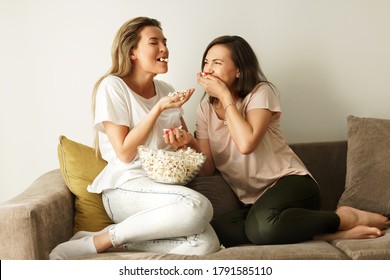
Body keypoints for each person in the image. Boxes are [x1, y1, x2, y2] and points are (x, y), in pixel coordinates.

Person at [164, 35, 390, 247]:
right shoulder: (205, 107)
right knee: (216, 230)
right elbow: (208, 169)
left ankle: (344, 217)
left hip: (291, 185)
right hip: (256, 203)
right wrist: (189, 144)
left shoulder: (259, 93)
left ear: (239, 71)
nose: (208, 69)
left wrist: (225, 96)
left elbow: (246, 144)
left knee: (262, 227)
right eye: (206, 62)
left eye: (217, 63)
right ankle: (321, 233)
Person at [49, 17, 220, 259]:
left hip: (165, 189)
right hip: (125, 187)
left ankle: (111, 240)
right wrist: (158, 109)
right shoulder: (113, 86)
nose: (164, 48)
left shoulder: (167, 90)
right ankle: (98, 242)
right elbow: (125, 153)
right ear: (132, 52)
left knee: (205, 244)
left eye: (165, 41)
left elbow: (190, 153)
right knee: (199, 206)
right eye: (154, 42)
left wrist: (186, 143)